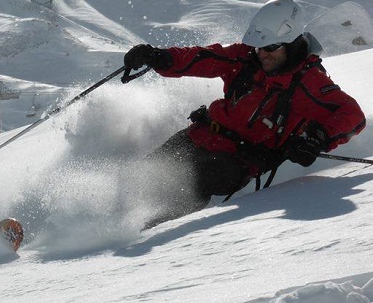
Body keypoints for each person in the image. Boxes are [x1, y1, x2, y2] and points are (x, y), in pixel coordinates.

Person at [123, 0, 366, 226]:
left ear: (291, 43)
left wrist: (318, 138)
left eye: (270, 47)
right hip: (201, 135)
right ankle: (116, 219)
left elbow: (352, 114)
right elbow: (203, 58)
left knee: (195, 181)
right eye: (259, 46)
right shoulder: (244, 58)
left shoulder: (308, 81)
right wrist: (160, 57)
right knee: (147, 176)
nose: (263, 53)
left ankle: (144, 236)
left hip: (239, 159)